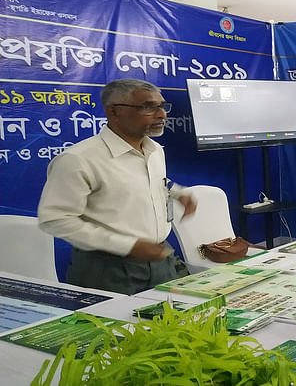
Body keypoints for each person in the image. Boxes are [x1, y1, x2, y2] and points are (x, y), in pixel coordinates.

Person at [38, 79, 196, 295]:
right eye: (149, 107)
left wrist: (177, 192)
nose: (162, 115)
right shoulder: (78, 160)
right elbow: (54, 219)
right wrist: (127, 245)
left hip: (160, 258)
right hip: (107, 269)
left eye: (162, 106)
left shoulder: (155, 150)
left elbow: (146, 184)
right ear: (114, 112)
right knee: (116, 328)